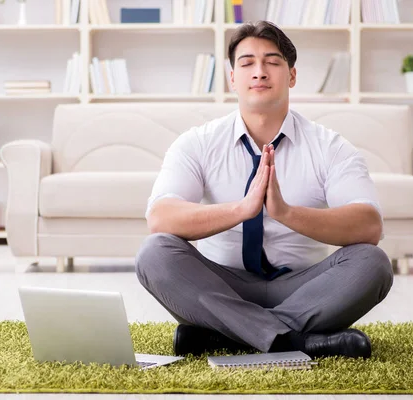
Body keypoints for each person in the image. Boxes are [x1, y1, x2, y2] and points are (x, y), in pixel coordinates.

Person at [134, 20, 393, 359]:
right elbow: (161, 218)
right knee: (155, 253)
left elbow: (368, 225)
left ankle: (227, 336)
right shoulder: (197, 143)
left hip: (306, 289)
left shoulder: (330, 147)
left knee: (372, 262)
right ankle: (297, 342)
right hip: (222, 288)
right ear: (232, 78)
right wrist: (241, 210)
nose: (259, 72)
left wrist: (286, 213)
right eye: (247, 63)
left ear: (292, 76)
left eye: (272, 62)